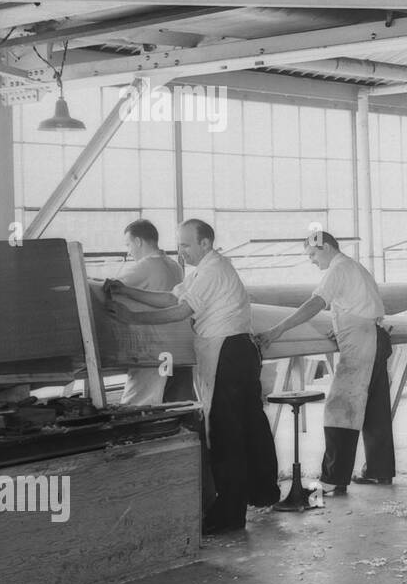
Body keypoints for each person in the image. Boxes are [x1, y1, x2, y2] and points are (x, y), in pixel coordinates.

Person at [106, 219, 279, 534]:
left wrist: (133, 317)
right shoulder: (202, 270)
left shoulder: (212, 270)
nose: (180, 251)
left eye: (186, 245)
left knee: (227, 434)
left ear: (205, 244)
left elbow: (180, 312)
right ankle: (262, 491)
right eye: (179, 244)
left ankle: (230, 514)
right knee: (251, 427)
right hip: (236, 351)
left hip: (227, 351)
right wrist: (126, 290)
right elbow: (173, 299)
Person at [256, 232, 395, 495]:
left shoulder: (337, 269)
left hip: (363, 342)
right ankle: (380, 471)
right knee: (375, 408)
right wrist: (341, 326)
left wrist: (276, 331)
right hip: (373, 335)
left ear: (327, 247)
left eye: (312, 254)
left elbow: (315, 304)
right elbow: (359, 306)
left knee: (340, 409)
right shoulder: (353, 266)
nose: (311, 260)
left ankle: (334, 479)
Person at [115, 220, 183, 406]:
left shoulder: (144, 266)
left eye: (128, 245)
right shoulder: (175, 266)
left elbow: (111, 288)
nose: (129, 251)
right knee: (173, 402)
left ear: (138, 241)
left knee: (138, 403)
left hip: (151, 347)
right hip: (177, 347)